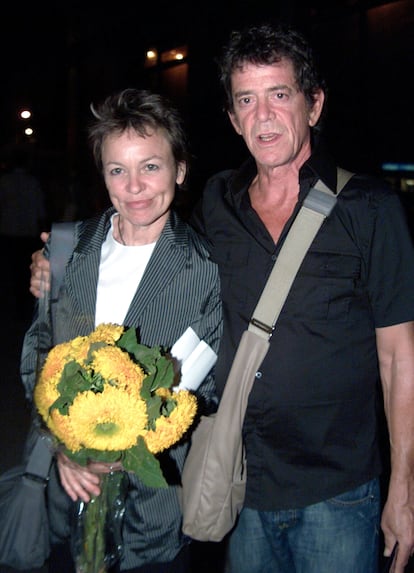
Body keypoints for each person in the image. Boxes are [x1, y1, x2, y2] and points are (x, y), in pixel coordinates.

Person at [29, 21, 414, 573]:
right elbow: (150, 254)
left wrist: (404, 487)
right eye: (246, 100)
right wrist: (56, 263)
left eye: (279, 95)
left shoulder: (370, 208)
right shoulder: (217, 201)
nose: (264, 116)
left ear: (314, 104)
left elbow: (400, 357)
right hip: (240, 483)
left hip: (339, 489)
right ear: (233, 118)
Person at [22, 88, 222, 573]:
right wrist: (63, 446)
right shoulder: (69, 249)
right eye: (118, 170)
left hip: (152, 516)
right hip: (63, 502)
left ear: (179, 169)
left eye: (150, 167)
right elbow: (38, 357)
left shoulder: (204, 269)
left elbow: (207, 388)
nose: (134, 187)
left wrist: (127, 449)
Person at [0, 147, 46, 321]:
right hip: (27, 231)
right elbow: (40, 209)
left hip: (8, 231)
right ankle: (22, 305)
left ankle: (15, 305)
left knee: (13, 269)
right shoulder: (32, 182)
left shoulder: (5, 181)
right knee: (25, 269)